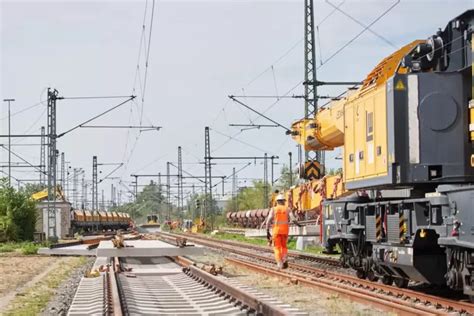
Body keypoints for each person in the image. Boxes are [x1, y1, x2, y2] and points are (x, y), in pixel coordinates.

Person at [266, 193, 298, 269]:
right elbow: (293, 219)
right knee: (284, 246)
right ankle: (284, 259)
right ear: (284, 201)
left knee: (277, 248)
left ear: (277, 201)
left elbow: (268, 220)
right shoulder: (287, 209)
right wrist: (298, 224)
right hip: (285, 231)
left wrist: (267, 230)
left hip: (276, 232)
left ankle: (280, 263)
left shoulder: (273, 209)